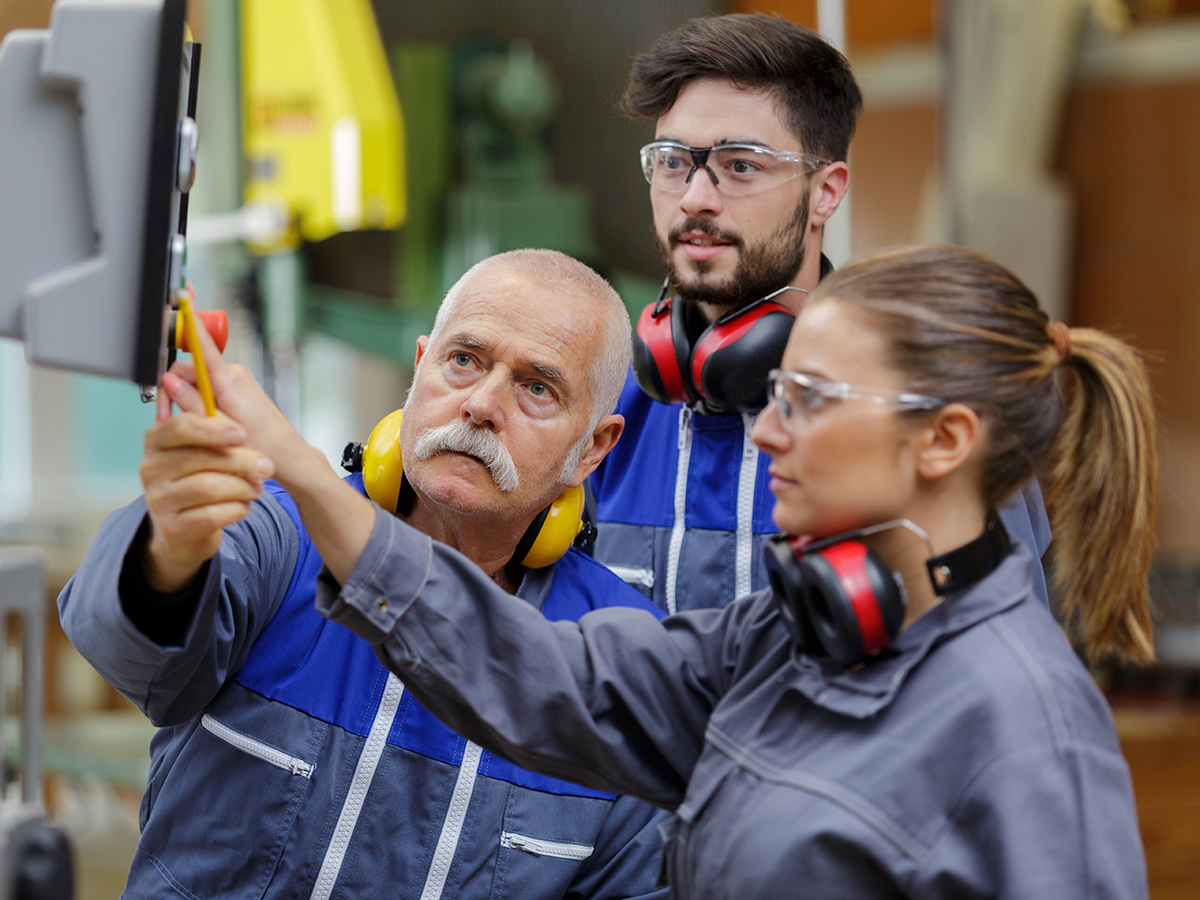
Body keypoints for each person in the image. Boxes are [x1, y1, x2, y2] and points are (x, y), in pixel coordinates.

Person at [206, 245, 1151, 898]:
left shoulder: (1031, 737)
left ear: (943, 440)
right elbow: (543, 675)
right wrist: (294, 469)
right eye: (778, 395)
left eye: (811, 401)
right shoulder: (788, 640)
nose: (769, 431)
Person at [57, 250, 672, 900]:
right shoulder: (278, 534)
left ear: (594, 449)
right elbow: (123, 647)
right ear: (419, 368)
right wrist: (171, 550)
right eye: (464, 360)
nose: (482, 405)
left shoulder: (617, 660)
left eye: (537, 388)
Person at [588, 13, 1053, 613]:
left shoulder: (923, 425)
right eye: (674, 161)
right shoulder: (607, 418)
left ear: (826, 191)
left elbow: (988, 677)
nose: (696, 198)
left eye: (741, 165)